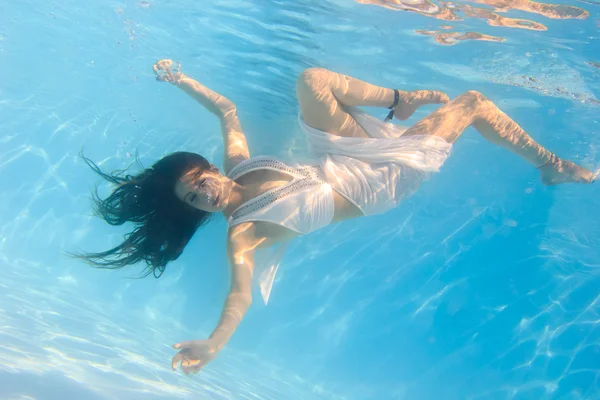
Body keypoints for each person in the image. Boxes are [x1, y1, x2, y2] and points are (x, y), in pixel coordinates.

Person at [78, 59, 596, 375]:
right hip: (378, 182)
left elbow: (228, 111)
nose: (206, 197)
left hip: (340, 157)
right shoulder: (245, 232)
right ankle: (553, 167)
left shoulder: (242, 163)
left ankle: (401, 99)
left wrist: (182, 80)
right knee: (475, 103)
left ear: (209, 169)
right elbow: (238, 296)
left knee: (312, 80)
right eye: (194, 202)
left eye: (199, 184)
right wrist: (215, 341)